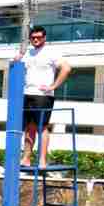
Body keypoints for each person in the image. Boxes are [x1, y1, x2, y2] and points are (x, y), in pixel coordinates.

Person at [17, 25, 71, 167]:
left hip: (43, 96)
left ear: (44, 38)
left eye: (39, 37)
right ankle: (26, 158)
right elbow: (16, 65)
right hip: (27, 93)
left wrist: (53, 86)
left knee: (42, 127)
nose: (36, 39)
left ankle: (42, 160)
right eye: (33, 37)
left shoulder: (51, 52)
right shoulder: (28, 53)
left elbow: (66, 68)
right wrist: (16, 59)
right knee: (29, 127)